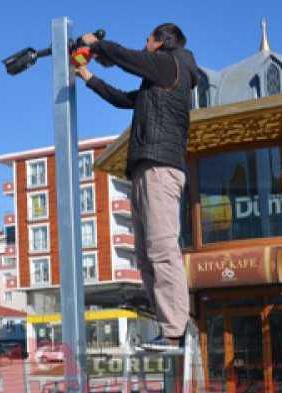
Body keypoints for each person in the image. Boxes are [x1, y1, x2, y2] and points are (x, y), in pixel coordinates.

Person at [75, 23, 200, 351]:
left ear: (161, 42)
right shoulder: (158, 80)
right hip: (147, 168)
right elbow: (121, 99)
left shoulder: (171, 63)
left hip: (160, 168)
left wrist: (95, 44)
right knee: (145, 256)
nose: (145, 44)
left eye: (148, 39)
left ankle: (175, 329)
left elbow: (127, 58)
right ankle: (168, 325)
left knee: (161, 249)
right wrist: (88, 78)